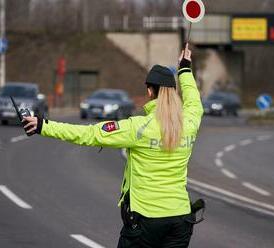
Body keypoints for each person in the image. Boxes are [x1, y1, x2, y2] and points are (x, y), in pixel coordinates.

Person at [23, 43, 203, 248]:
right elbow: (193, 101)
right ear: (172, 92)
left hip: (146, 221)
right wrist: (185, 70)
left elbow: (89, 134)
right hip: (180, 221)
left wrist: (43, 126)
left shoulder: (139, 127)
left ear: (150, 91)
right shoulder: (189, 123)